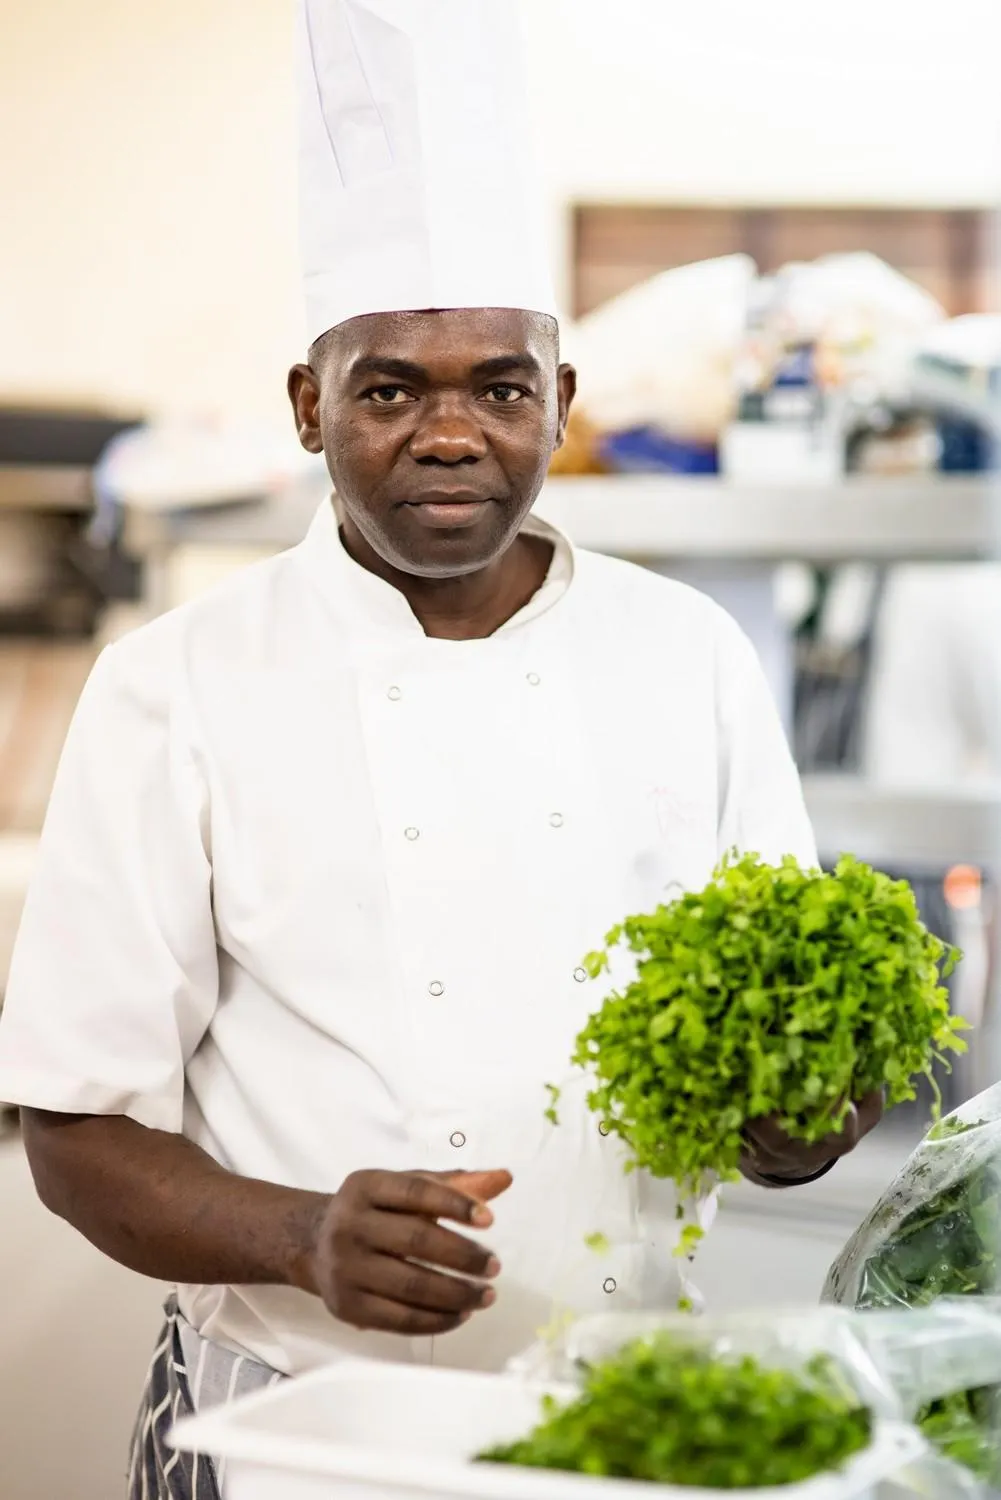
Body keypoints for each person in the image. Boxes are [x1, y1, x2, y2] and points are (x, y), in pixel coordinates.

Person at [0, 4, 881, 1497]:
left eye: (500, 385)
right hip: (284, 1410)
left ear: (564, 405)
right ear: (308, 406)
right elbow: (74, 1129)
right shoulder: (177, 686)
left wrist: (800, 1130)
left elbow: (780, 1071)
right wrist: (301, 1234)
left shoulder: (692, 660)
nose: (450, 433)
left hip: (615, 1411)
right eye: (390, 388)